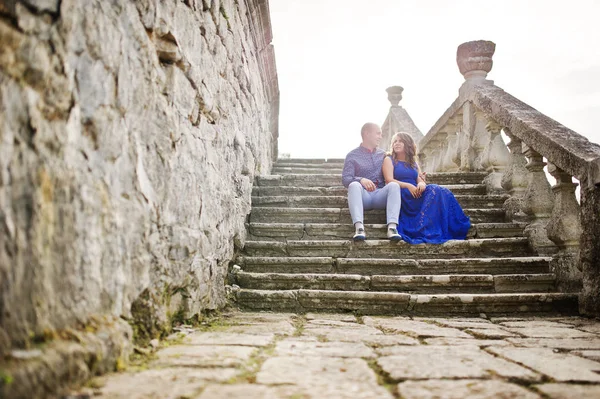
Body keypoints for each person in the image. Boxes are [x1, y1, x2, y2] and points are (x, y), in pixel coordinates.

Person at [382, 132, 471, 244]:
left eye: (400, 141)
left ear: (408, 144)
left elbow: (419, 178)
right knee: (433, 190)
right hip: (400, 192)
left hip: (416, 192)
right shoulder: (389, 159)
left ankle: (430, 226)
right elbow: (389, 180)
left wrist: (421, 184)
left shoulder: (412, 162)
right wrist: (409, 186)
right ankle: (421, 227)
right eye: (395, 141)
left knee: (438, 190)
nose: (397, 143)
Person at [342, 123, 402, 241]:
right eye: (378, 133)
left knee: (394, 186)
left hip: (380, 195)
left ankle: (392, 228)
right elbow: (346, 179)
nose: (380, 136)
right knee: (353, 185)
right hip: (363, 196)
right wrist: (361, 180)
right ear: (367, 134)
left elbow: (402, 165)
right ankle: (359, 228)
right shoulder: (352, 155)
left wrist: (418, 176)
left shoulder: (384, 154)